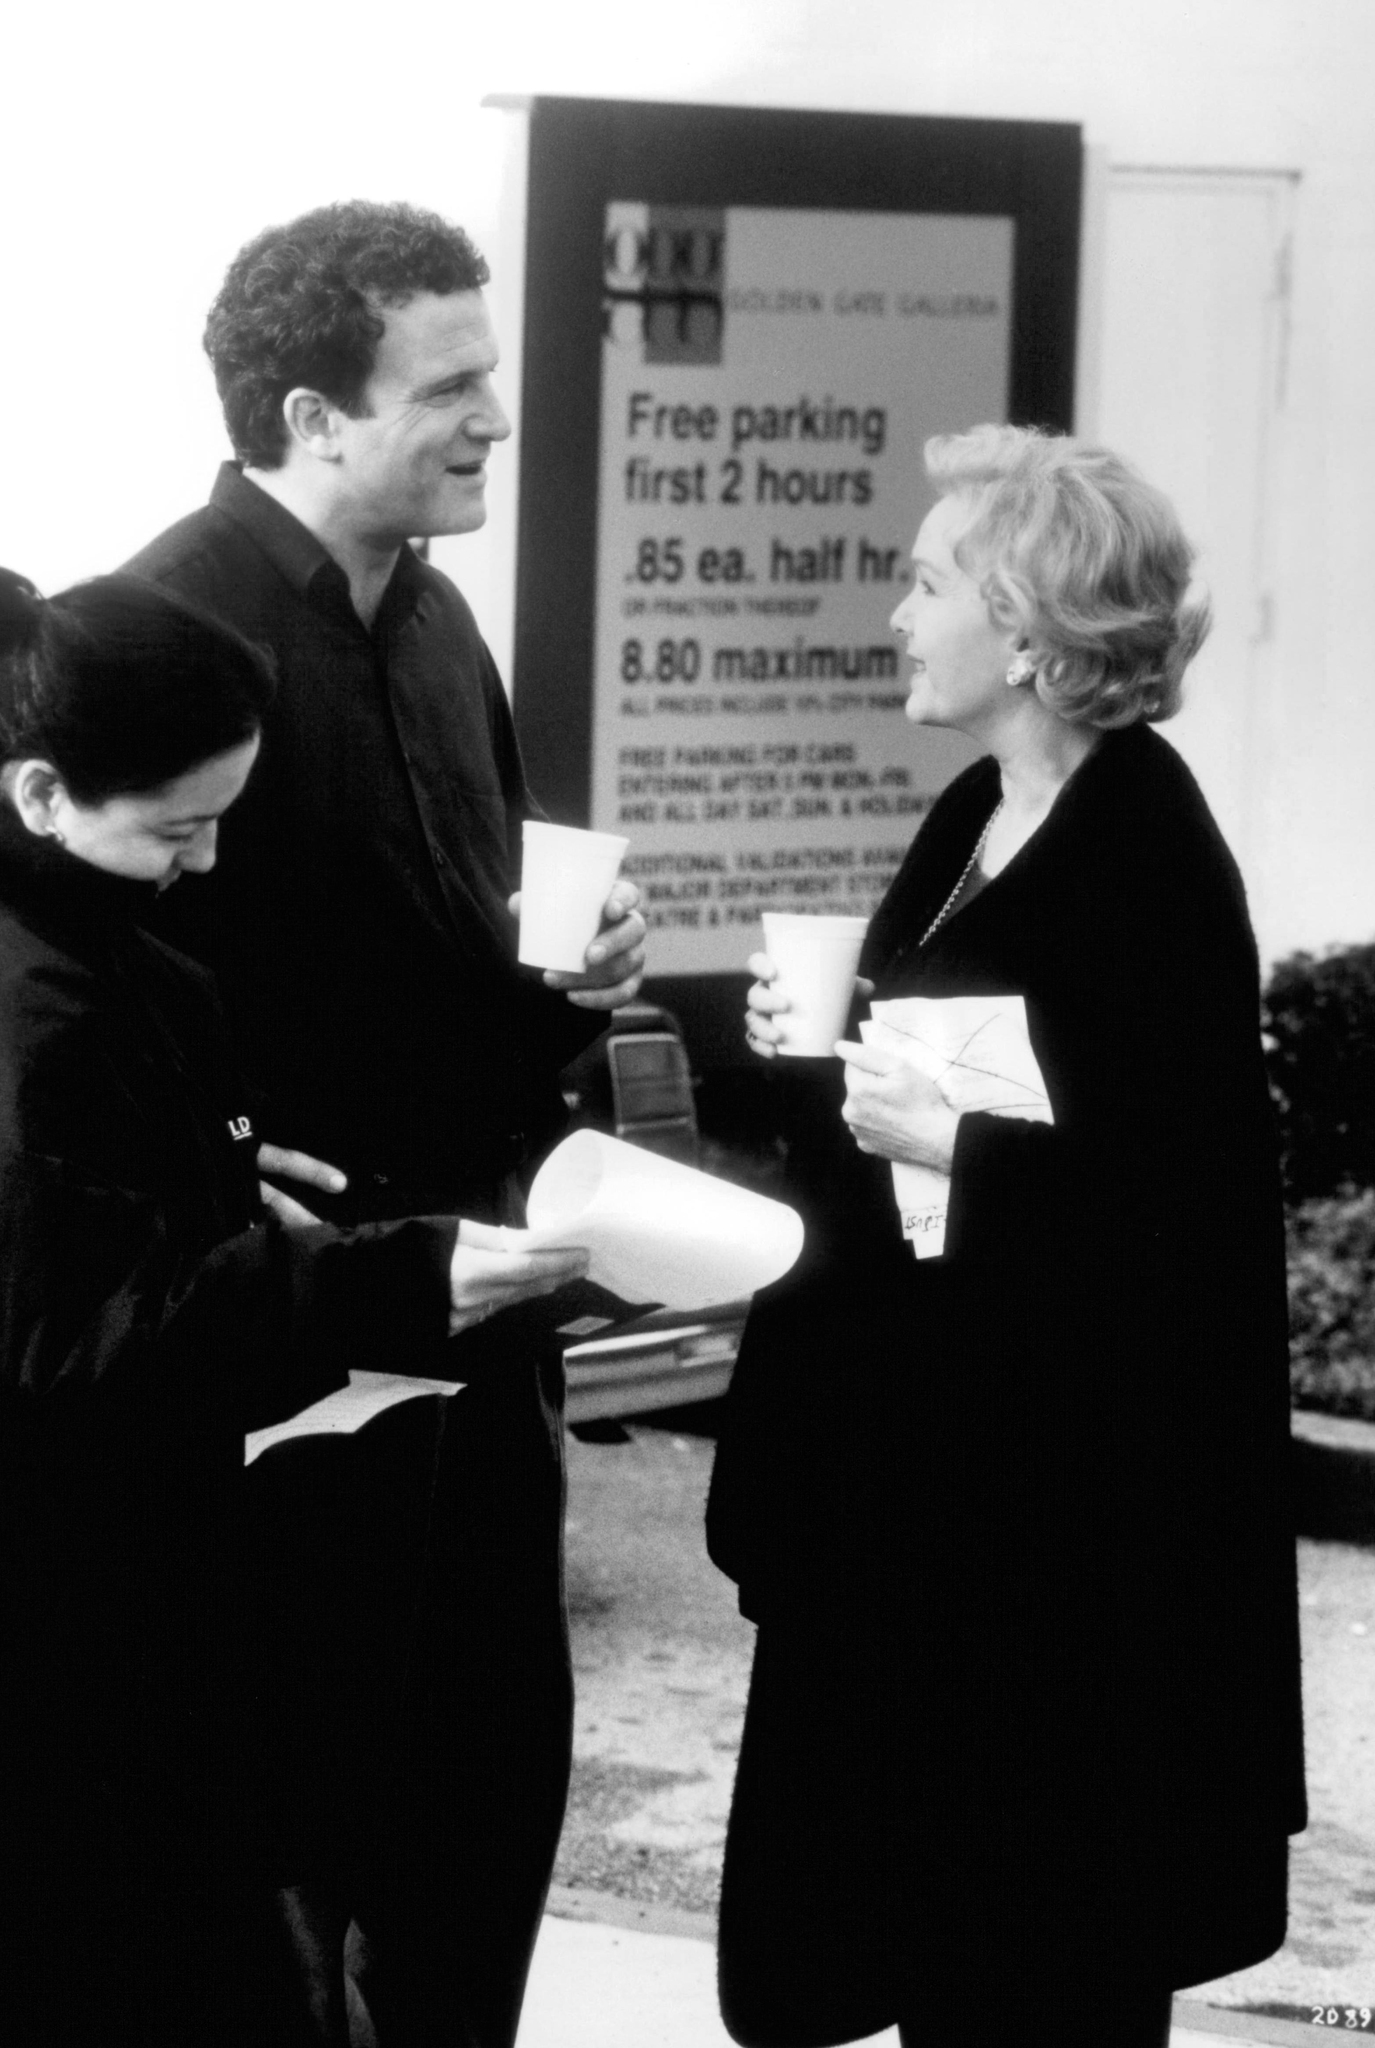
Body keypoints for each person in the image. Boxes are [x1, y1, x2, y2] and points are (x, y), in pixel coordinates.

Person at [706, 425, 1306, 2048]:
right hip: (936, 1499)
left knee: (1033, 1963)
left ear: (1033, 636)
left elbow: (1185, 1220)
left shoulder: (1147, 858)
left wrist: (962, 1153)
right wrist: (814, 1055)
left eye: (923, 582)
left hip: (1055, 1549)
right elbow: (927, 1107)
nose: (894, 614)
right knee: (931, 1941)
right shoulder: (983, 804)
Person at [123, 200, 646, 2046]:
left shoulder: (439, 627)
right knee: (287, 1843)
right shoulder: (165, 631)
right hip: (291, 1367)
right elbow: (65, 984)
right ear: (309, 414)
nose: (499, 416)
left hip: (486, 1317)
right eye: (456, 383)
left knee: (485, 1800)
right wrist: (210, 1150)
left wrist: (558, 977)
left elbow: (446, 946)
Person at [0, 569, 587, 2048]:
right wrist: (377, 1278)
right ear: (38, 793)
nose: (202, 865)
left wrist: (219, 1165)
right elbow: (69, 1336)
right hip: (70, 1639)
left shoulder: (100, 959)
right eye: (177, 829)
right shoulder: (36, 1011)